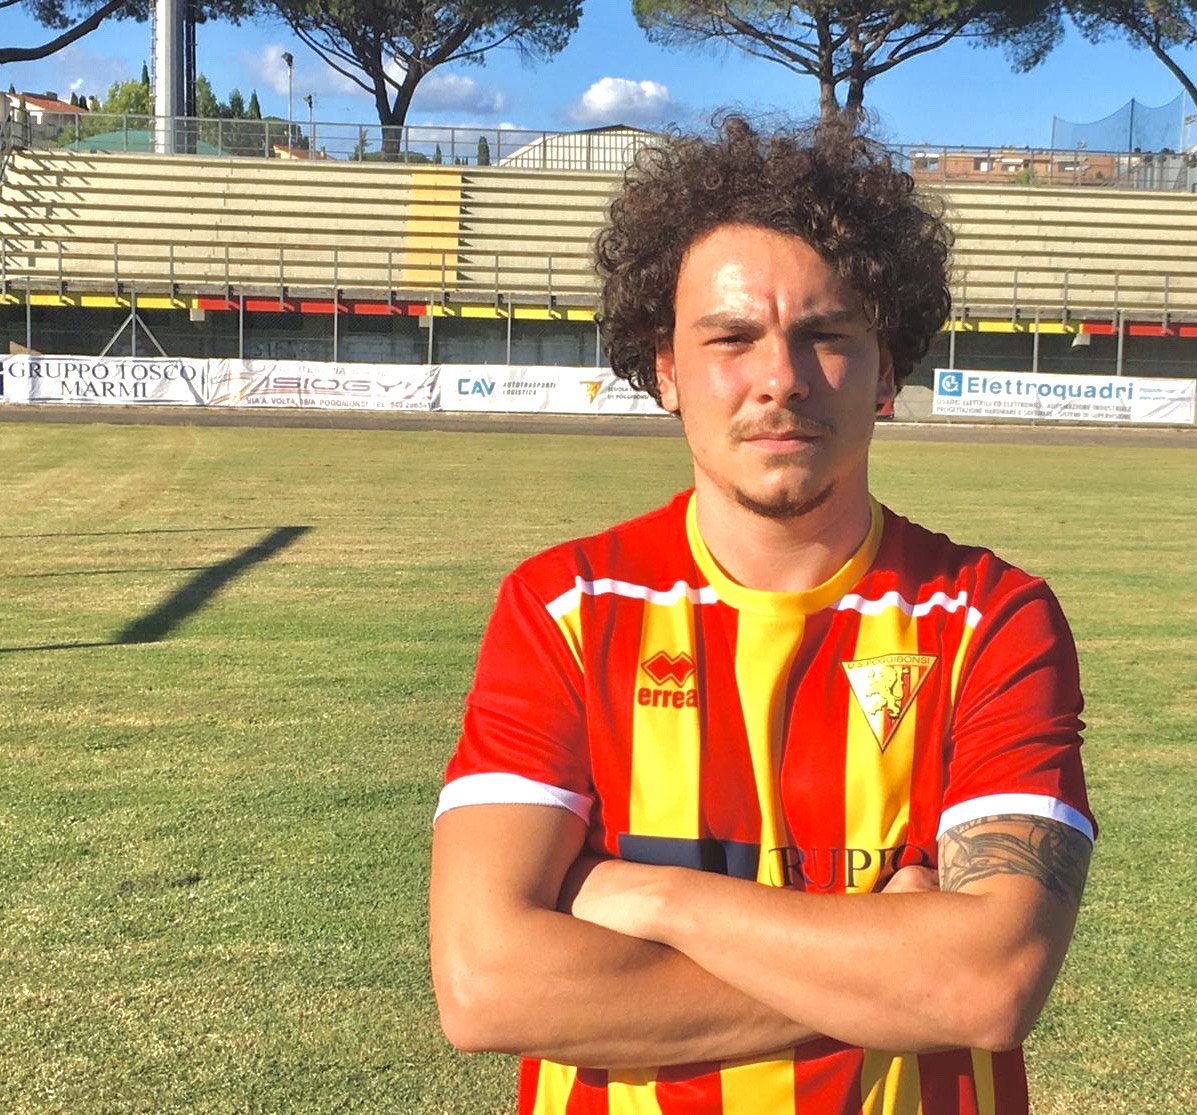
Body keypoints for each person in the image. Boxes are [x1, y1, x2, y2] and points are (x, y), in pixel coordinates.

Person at [429, 116, 1096, 1115]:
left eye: (827, 335)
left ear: (888, 367)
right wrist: (889, 968)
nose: (780, 376)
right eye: (731, 337)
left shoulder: (991, 619)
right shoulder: (565, 608)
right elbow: (486, 986)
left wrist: (648, 893)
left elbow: (987, 983)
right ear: (665, 367)